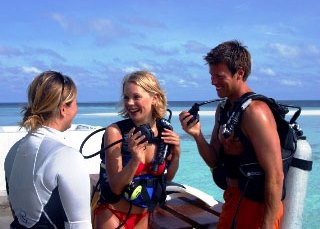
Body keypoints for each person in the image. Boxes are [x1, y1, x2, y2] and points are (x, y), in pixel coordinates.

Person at [179, 40, 284, 229]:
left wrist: (267, 226)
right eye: (211, 76)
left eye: (219, 76)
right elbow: (213, 160)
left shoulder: (256, 112)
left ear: (240, 73)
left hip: (257, 207)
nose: (213, 82)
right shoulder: (224, 108)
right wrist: (196, 135)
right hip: (233, 198)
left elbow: (276, 175)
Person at [4, 71, 92, 228]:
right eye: (75, 102)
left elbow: (17, 214)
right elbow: (79, 225)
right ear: (64, 108)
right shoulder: (67, 158)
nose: (77, 109)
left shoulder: (13, 151)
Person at [94, 70, 181, 229]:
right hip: (112, 215)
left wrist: (176, 156)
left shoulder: (164, 134)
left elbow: (166, 179)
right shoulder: (115, 133)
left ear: (154, 98)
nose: (130, 103)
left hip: (143, 216)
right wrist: (134, 160)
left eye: (136, 97)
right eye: (126, 97)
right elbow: (115, 187)